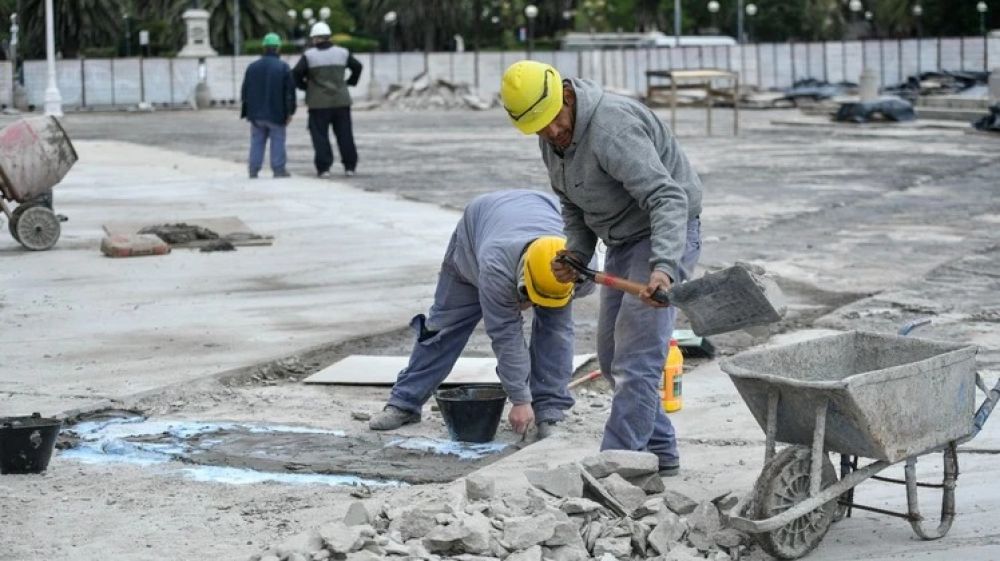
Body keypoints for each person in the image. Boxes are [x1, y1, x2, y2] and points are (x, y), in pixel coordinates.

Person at [499, 60, 704, 476]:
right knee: (613, 361)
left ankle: (614, 471)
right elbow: (573, 204)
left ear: (567, 96)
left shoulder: (611, 128)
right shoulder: (552, 139)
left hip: (663, 232)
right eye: (540, 128)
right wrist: (576, 252)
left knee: (637, 362)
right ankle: (660, 454)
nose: (552, 132)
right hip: (623, 241)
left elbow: (668, 198)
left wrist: (664, 268)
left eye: (555, 120)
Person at [369, 189, 594, 438]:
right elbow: (506, 335)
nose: (530, 304)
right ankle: (405, 402)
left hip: (538, 214)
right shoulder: (494, 265)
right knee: (444, 326)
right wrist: (520, 399)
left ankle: (550, 410)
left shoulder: (579, 264)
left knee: (556, 331)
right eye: (528, 296)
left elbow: (558, 333)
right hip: (477, 232)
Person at [292, 22, 363, 178]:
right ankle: (350, 166)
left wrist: (305, 87)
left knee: (320, 136)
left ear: (315, 38)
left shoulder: (309, 55)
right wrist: (350, 82)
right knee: (345, 135)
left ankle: (324, 168)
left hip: (318, 103)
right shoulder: (343, 53)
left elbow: (296, 73)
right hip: (341, 101)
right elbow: (357, 66)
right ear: (328, 36)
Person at [240, 33, 296, 179]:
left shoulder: (252, 67)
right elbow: (289, 93)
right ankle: (278, 170)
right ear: (278, 48)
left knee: (256, 141)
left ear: (264, 47)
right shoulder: (283, 67)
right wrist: (290, 112)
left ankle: (253, 170)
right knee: (278, 140)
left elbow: (245, 91)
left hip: (256, 114)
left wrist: (248, 111)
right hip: (277, 113)